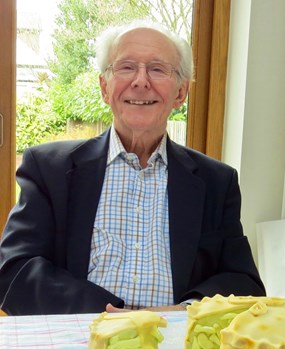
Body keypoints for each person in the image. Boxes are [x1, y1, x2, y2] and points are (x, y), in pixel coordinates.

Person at [0, 20, 265, 315]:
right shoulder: (49, 169)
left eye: (157, 69)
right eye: (126, 67)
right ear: (104, 87)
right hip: (82, 336)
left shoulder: (217, 181)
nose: (141, 81)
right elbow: (14, 270)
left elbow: (243, 282)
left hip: (174, 342)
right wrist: (107, 313)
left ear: (181, 92)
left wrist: (183, 313)